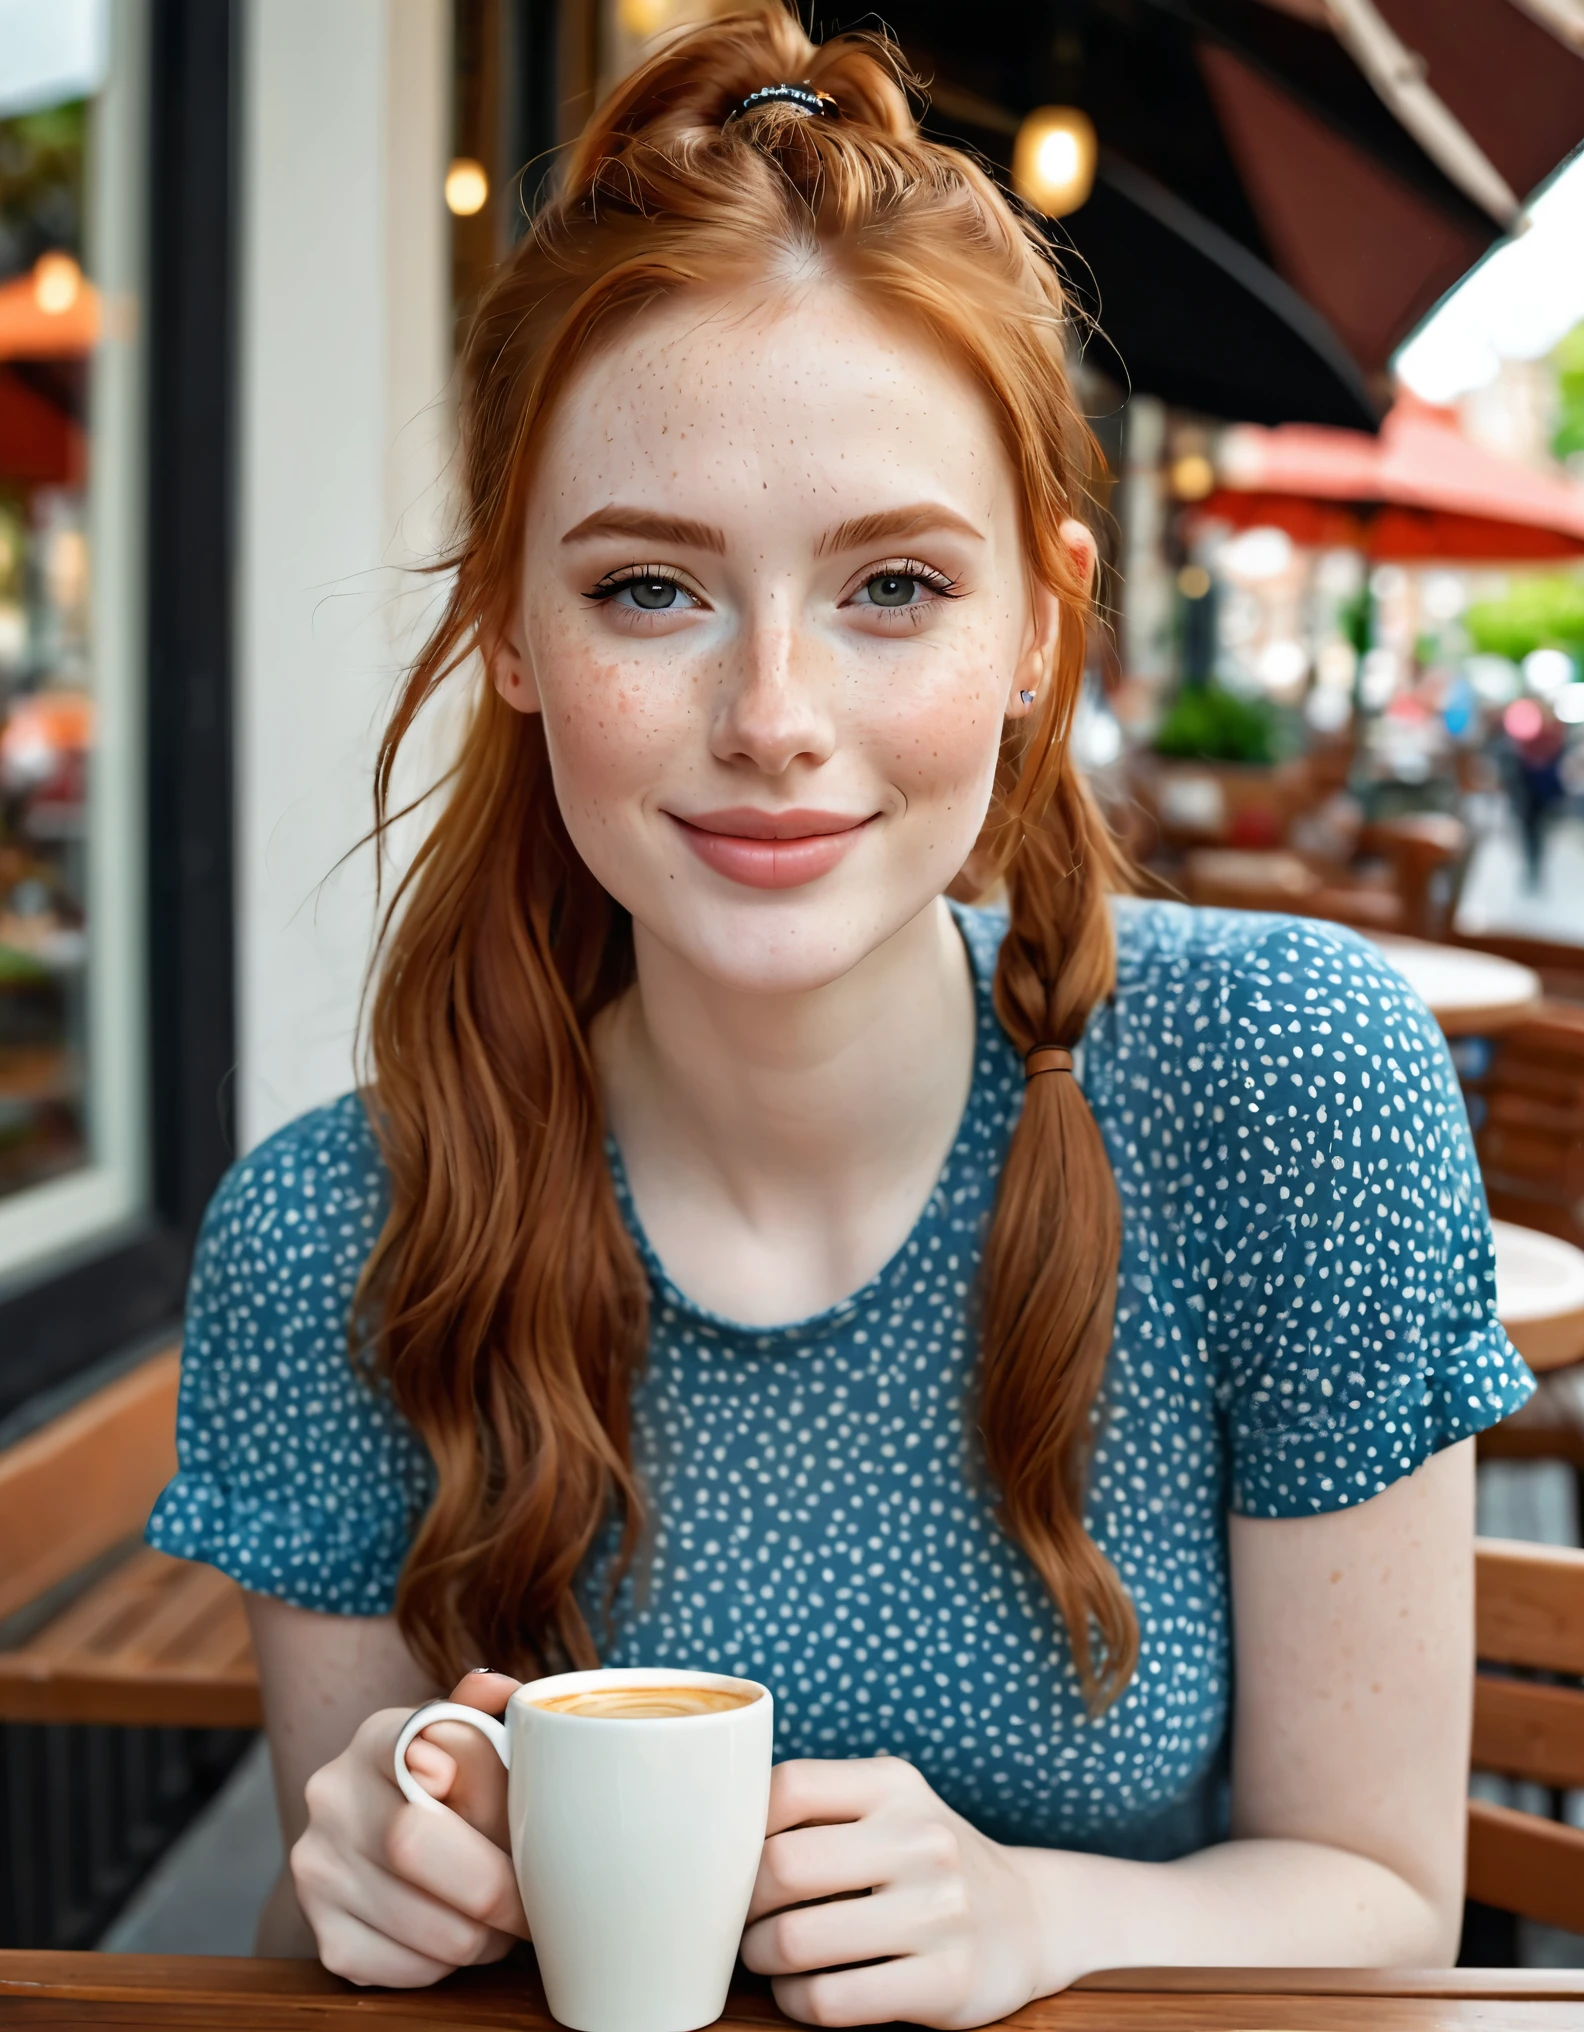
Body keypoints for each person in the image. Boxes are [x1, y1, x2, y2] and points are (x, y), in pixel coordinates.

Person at [147, 10, 1533, 2020]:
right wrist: (357, 1872)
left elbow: (1384, 1892)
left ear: (1041, 628)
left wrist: (1035, 1917)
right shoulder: (328, 1235)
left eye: (892, 585)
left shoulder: (1289, 1085)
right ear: (516, 632)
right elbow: (327, 1936)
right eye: (649, 589)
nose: (775, 716)